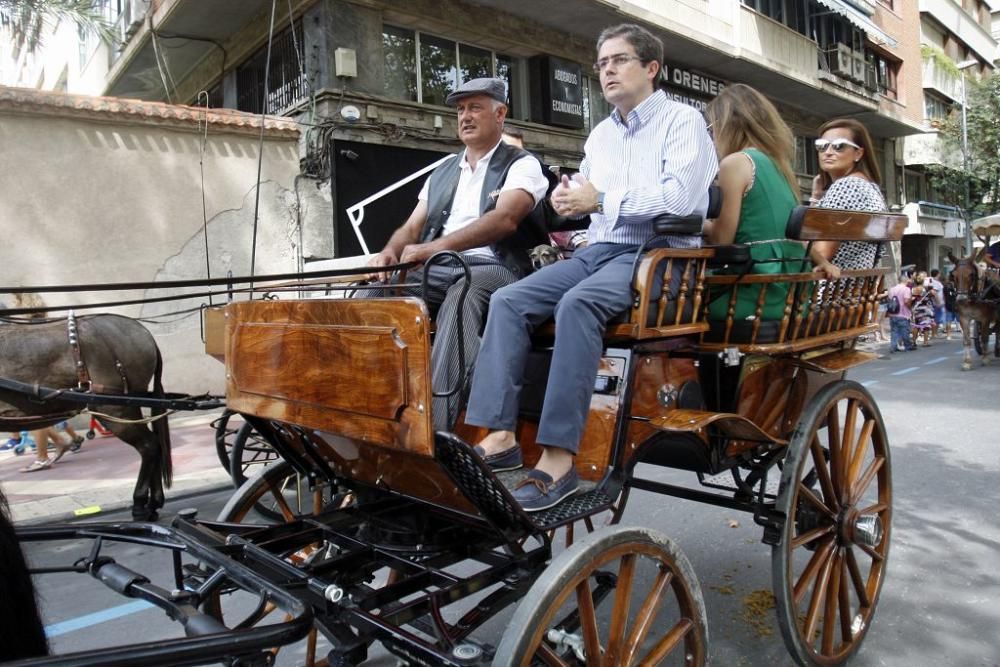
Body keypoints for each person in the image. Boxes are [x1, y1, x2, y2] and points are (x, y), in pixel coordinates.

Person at [464, 23, 717, 511]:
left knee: (579, 305)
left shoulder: (683, 121)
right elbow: (592, 203)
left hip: (661, 256)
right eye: (601, 64)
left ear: (651, 68)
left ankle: (558, 458)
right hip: (601, 250)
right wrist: (572, 201)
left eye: (619, 60)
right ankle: (499, 436)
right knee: (508, 299)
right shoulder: (601, 134)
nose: (607, 71)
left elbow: (684, 201)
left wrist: (602, 198)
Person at [365, 77, 550, 431]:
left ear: (500, 113)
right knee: (373, 291)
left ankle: (434, 427)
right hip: (439, 264)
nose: (465, 116)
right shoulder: (443, 171)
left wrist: (432, 249)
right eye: (461, 109)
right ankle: (368, 399)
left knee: (464, 292)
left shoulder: (523, 164)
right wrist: (390, 252)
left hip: (498, 266)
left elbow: (505, 220)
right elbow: (411, 227)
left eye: (475, 107)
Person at [702, 83, 805, 321]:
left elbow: (722, 241)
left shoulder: (735, 163)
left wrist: (700, 224)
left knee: (676, 303)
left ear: (725, 126)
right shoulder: (780, 165)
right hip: (792, 296)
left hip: (755, 294)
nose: (712, 137)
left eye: (711, 128)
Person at [808, 118, 887, 279]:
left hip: (829, 292)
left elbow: (820, 255)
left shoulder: (847, 187)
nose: (828, 152)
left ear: (858, 153)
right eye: (821, 145)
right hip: (853, 294)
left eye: (839, 146)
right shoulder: (870, 187)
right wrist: (817, 197)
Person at [887, 275, 915, 353]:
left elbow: (890, 300)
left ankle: (893, 346)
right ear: (906, 281)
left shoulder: (892, 289)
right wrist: (910, 308)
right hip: (903, 313)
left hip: (893, 313)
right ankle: (908, 346)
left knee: (894, 331)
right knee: (904, 331)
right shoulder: (906, 289)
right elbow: (906, 301)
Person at [927, 268, 945, 337]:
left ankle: (934, 333)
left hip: (933, 303)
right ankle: (934, 333)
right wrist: (938, 302)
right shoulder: (936, 283)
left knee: (935, 319)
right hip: (936, 304)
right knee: (936, 319)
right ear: (938, 274)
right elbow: (934, 292)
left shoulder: (931, 281)